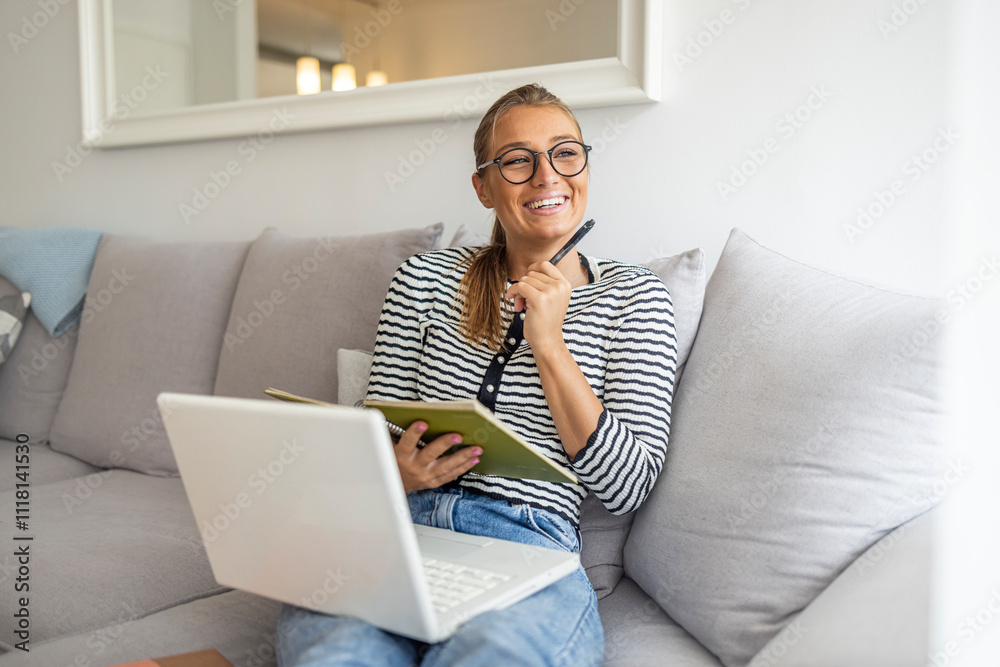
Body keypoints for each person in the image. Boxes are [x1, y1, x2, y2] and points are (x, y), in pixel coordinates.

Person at [276, 83, 678, 667]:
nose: (547, 175)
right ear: (484, 187)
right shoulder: (422, 280)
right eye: (517, 160)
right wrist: (395, 470)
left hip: (528, 544)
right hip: (397, 531)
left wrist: (549, 343)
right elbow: (374, 436)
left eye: (565, 153)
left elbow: (627, 487)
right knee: (335, 657)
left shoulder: (636, 299)